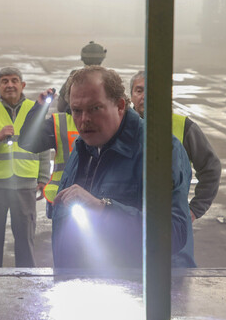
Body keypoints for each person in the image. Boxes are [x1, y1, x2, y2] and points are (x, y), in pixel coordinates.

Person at [52, 66, 195, 268]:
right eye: (77, 110)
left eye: (95, 108)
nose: (84, 120)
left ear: (120, 106)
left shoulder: (159, 150)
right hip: (87, 287)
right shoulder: (83, 148)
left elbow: (174, 233)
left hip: (144, 288)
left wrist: (104, 209)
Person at [0, 67, 51, 267]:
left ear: (22, 85)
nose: (10, 85)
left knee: (26, 241)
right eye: (5, 81)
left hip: (25, 185)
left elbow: (43, 148)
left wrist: (43, 178)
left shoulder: (33, 109)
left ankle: (26, 282)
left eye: (14, 80)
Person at [129, 70, 222, 222]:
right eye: (139, 91)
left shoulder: (184, 127)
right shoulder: (117, 126)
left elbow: (211, 168)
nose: (145, 97)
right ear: (131, 96)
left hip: (168, 221)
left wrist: (195, 210)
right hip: (124, 218)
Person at [19, 88, 78, 217]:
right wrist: (40, 108)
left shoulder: (109, 119)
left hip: (98, 200)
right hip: (63, 201)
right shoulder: (60, 122)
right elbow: (27, 142)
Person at [56, 41, 107, 113]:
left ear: (83, 58)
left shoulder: (74, 77)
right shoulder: (109, 78)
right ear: (102, 58)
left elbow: (60, 107)